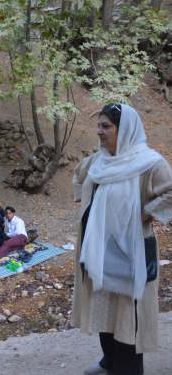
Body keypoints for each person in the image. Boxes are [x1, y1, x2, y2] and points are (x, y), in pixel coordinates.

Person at [72, 104, 172, 375]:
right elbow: (78, 177)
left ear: (125, 129)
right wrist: (88, 206)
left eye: (106, 126)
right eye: (99, 125)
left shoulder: (149, 164)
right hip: (98, 251)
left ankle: (127, 369)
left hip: (130, 253)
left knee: (128, 315)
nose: (99, 131)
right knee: (104, 310)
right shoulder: (98, 161)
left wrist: (145, 213)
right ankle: (110, 361)